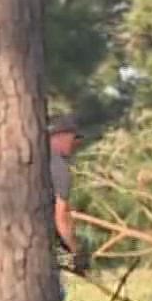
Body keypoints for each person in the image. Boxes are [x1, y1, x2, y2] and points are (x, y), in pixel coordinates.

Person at [49, 115, 89, 275]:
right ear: (61, 136)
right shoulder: (60, 169)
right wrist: (75, 251)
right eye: (75, 138)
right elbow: (61, 217)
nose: (77, 144)